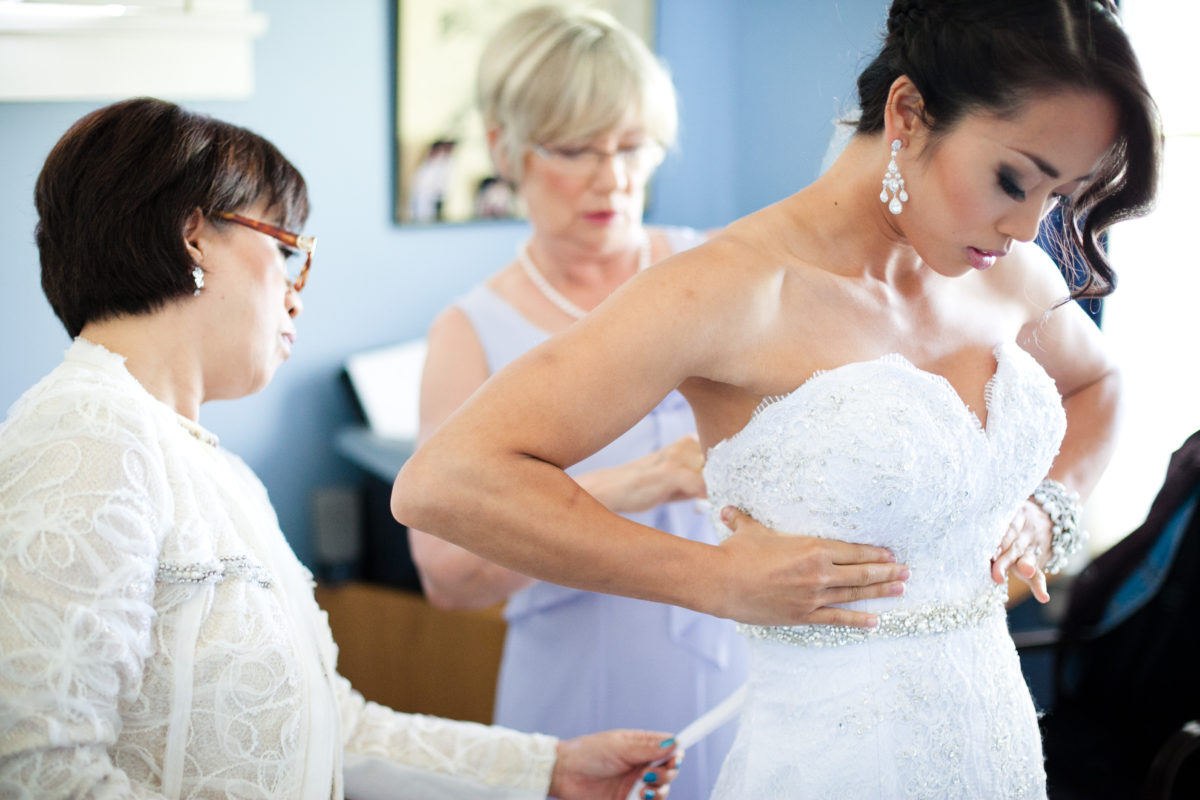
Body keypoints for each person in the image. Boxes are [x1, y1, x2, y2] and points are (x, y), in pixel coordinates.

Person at [392, 0, 1161, 796]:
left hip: (988, 741)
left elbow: (1099, 383)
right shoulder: (728, 289)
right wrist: (713, 579)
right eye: (1013, 180)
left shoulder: (1004, 273)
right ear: (907, 111)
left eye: (1059, 193)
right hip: (824, 758)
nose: (1031, 227)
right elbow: (444, 481)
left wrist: (1048, 507)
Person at [0, 97, 682, 800]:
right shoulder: (83, 435)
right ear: (193, 238)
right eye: (287, 252)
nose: (297, 296)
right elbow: (36, 772)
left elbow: (336, 731)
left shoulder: (217, 472)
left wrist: (551, 770)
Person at [407, 9, 789, 798]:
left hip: (749, 665)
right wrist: (645, 480)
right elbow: (447, 575)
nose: (612, 178)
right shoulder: (470, 332)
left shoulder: (721, 269)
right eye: (577, 150)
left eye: (631, 147)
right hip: (579, 685)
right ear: (507, 148)